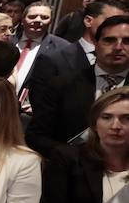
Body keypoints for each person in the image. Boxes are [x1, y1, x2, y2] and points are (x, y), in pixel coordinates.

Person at [27, 14, 129, 157]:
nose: (118, 47)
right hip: (72, 171)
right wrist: (73, 156)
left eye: (127, 41)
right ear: (96, 44)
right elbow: (36, 136)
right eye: (109, 40)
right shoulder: (61, 85)